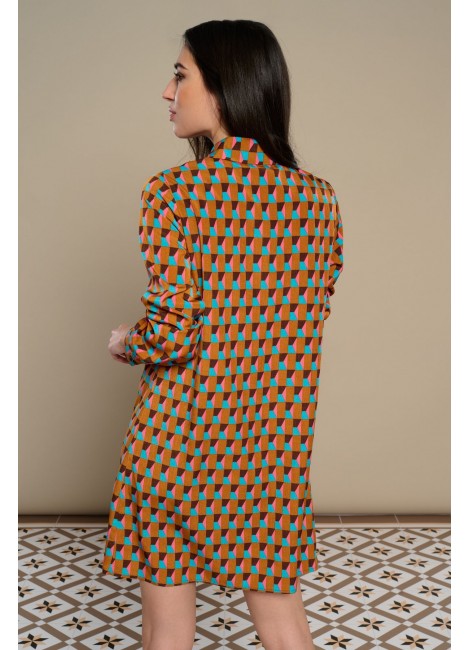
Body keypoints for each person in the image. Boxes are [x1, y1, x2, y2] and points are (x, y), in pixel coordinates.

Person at [103, 18, 344, 650]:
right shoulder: (319, 202)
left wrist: (126, 341)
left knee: (166, 632)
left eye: (180, 75)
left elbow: (173, 333)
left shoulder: (172, 194)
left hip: (178, 445)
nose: (168, 91)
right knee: (286, 626)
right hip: (269, 452)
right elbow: (304, 319)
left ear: (224, 85)